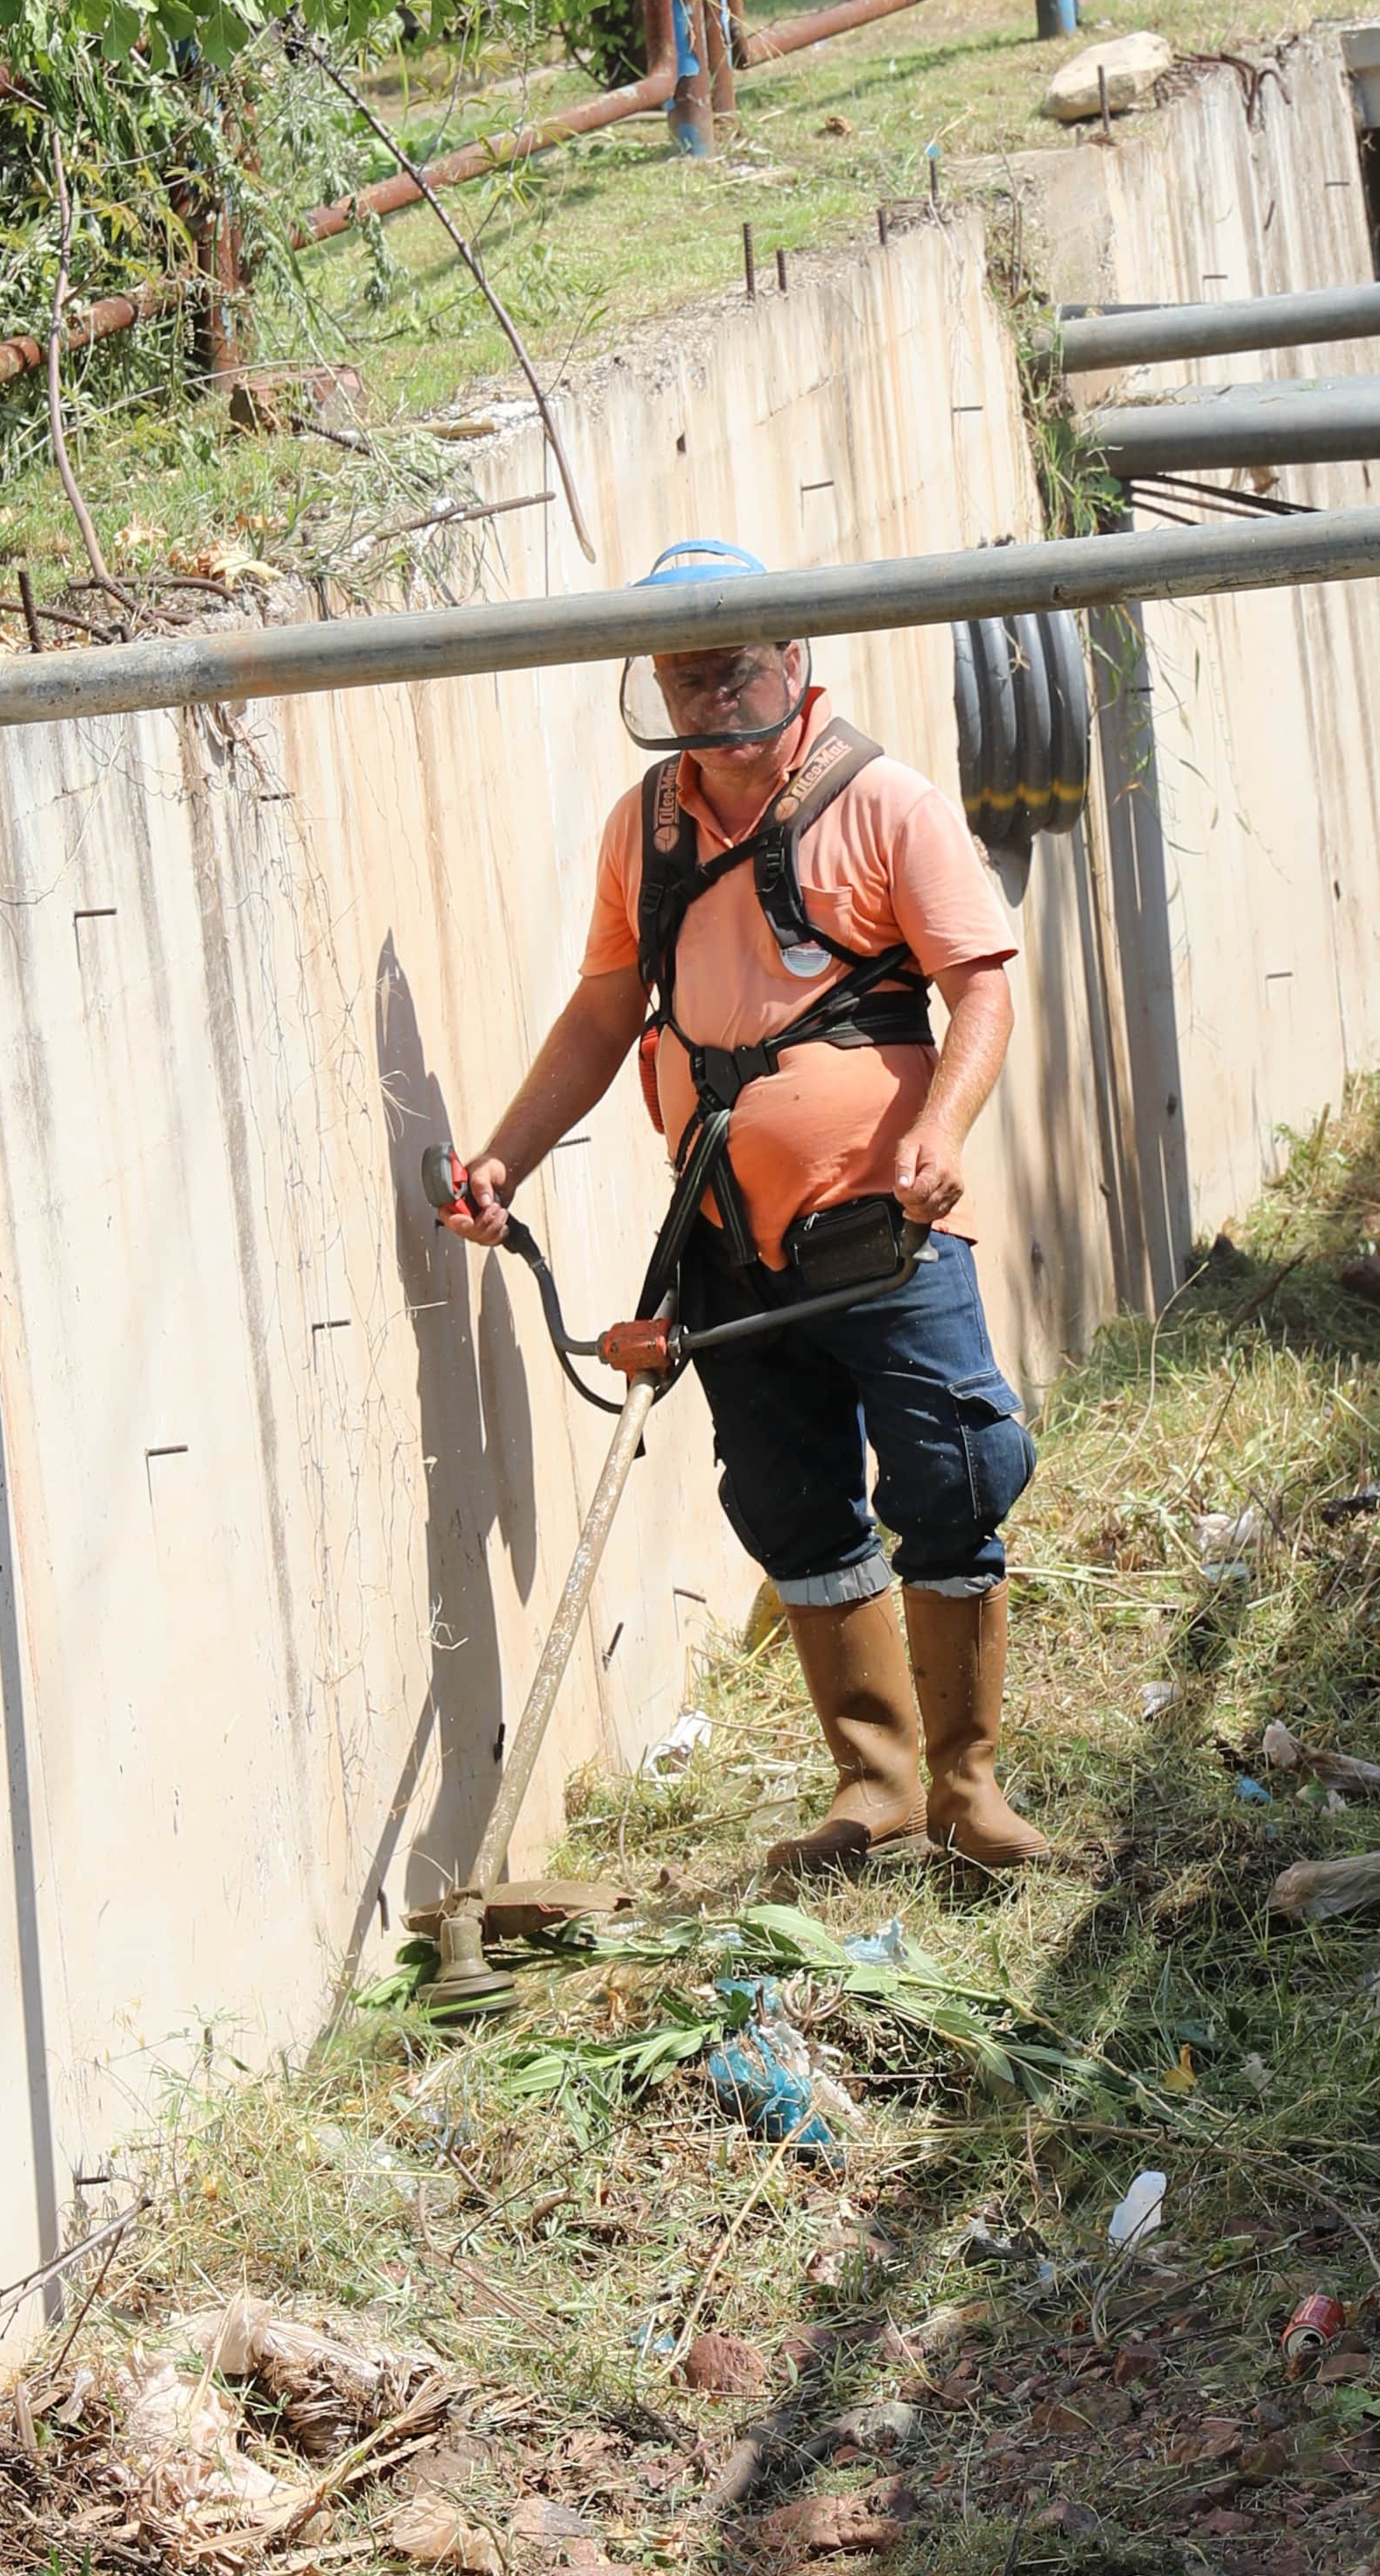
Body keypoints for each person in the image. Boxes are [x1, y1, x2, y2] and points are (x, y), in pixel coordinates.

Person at [436, 541, 1051, 1879]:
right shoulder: (644, 828)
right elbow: (608, 1012)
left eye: (730, 671)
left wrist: (937, 1134)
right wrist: (504, 1163)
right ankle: (875, 1786)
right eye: (684, 678)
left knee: (953, 1475)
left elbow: (982, 988)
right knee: (786, 1498)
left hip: (880, 1230)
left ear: (791, 661)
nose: (710, 703)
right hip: (725, 1235)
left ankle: (970, 1791)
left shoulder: (886, 804)